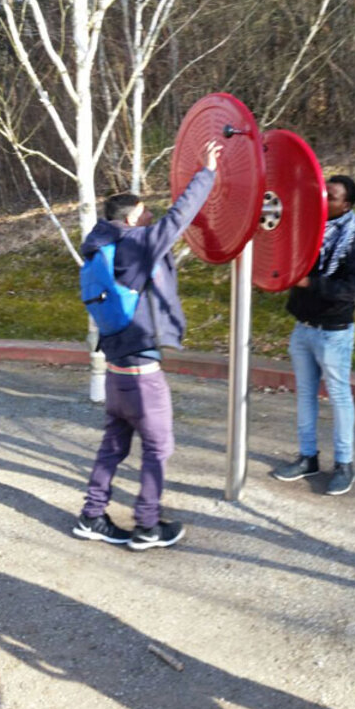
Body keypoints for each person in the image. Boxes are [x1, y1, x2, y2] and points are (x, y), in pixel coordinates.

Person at [72, 139, 222, 551]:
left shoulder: (100, 246)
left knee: (113, 446)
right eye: (144, 211)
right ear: (133, 216)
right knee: (158, 447)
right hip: (142, 377)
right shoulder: (134, 245)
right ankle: (148, 526)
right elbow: (177, 219)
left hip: (117, 375)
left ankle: (92, 515)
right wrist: (206, 172)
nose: (150, 215)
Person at [273, 174, 355, 495]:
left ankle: (344, 464)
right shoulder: (308, 229)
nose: (325, 199)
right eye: (324, 193)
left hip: (334, 333)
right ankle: (307, 458)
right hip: (303, 328)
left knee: (340, 398)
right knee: (304, 395)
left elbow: (349, 291)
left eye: (333, 196)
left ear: (348, 205)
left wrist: (310, 283)